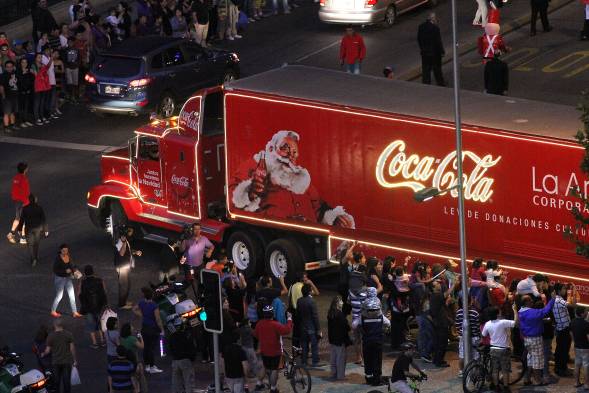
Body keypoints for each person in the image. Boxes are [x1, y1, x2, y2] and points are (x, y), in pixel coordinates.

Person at [354, 287, 390, 386]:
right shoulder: (380, 315)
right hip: (378, 340)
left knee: (368, 359)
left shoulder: (363, 316)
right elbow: (388, 323)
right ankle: (377, 379)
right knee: (377, 359)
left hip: (367, 341)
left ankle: (368, 378)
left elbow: (355, 324)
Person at [253, 305, 293, 393]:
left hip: (264, 350)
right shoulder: (275, 325)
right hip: (275, 351)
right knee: (274, 369)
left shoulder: (259, 324)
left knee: (265, 366)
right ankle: (273, 388)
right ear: (272, 314)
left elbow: (255, 335)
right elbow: (286, 330)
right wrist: (289, 319)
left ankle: (259, 383)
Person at [519, 293, 555, 385]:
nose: (532, 301)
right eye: (530, 300)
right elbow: (545, 311)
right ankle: (537, 380)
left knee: (530, 359)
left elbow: (531, 321)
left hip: (526, 339)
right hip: (535, 339)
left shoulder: (521, 312)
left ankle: (527, 379)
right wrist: (552, 299)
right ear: (526, 302)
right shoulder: (531, 312)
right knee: (537, 360)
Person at [481, 306, 517, 389]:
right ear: (497, 314)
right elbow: (515, 323)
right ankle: (506, 387)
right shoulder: (503, 322)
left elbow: (483, 335)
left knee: (495, 369)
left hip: (493, 349)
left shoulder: (487, 324)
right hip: (503, 349)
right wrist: (515, 311)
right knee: (505, 370)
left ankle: (496, 386)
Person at [40, 318, 78, 393]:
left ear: (54, 325)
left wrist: (43, 354)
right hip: (66, 361)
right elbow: (72, 349)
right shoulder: (68, 334)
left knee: (56, 382)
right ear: (63, 325)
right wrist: (75, 360)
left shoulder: (51, 336)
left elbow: (48, 350)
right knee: (66, 382)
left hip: (55, 362)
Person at [133, 287, 165, 374]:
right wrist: (162, 330)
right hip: (153, 328)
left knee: (146, 347)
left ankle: (147, 365)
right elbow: (158, 319)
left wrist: (142, 315)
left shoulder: (141, 303)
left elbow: (134, 309)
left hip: (144, 327)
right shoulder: (154, 306)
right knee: (151, 348)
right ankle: (152, 366)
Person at [78, 264, 107, 349]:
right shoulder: (100, 280)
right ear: (93, 272)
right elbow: (105, 291)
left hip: (88, 308)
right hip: (99, 306)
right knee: (100, 322)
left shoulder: (82, 282)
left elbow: (79, 293)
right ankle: (102, 340)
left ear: (85, 273)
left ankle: (95, 343)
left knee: (90, 324)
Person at [114, 226, 142, 309]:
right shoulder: (120, 242)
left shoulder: (124, 240)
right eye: (130, 232)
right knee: (124, 286)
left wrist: (135, 252)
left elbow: (127, 251)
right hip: (122, 268)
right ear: (125, 233)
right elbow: (122, 253)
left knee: (127, 285)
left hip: (124, 267)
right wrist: (124, 242)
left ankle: (124, 301)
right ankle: (122, 305)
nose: (132, 233)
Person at [51, 244, 81, 318]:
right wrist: (65, 271)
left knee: (72, 295)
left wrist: (75, 270)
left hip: (68, 278)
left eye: (66, 250)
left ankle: (75, 312)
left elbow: (72, 265)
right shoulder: (58, 259)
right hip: (60, 279)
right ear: (60, 250)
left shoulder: (68, 256)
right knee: (59, 296)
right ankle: (53, 311)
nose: (65, 252)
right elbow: (55, 270)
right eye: (63, 250)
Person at [455, 293, 481, 375]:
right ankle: (475, 371)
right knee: (476, 355)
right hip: (475, 337)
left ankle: (461, 371)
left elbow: (457, 326)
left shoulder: (458, 312)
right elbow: (478, 326)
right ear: (471, 301)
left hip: (463, 337)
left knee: (462, 354)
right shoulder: (475, 312)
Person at [297, 283, 323, 367]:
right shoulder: (311, 301)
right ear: (309, 292)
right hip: (311, 326)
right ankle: (315, 361)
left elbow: (298, 314)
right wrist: (318, 329)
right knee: (314, 344)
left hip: (302, 326)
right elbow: (315, 316)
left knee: (304, 345)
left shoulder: (299, 301)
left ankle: (304, 361)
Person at [168, 318, 196, 393]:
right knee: (188, 383)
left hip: (175, 361)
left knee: (176, 384)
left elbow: (170, 349)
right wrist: (192, 358)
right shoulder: (186, 335)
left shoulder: (172, 336)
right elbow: (191, 348)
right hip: (185, 361)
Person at [417, 13, 445, 86]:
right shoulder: (435, 28)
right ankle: (440, 84)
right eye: (435, 19)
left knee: (426, 71)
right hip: (435, 54)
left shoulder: (421, 27)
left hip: (425, 53)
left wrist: (422, 49)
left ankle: (426, 85)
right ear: (433, 19)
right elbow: (438, 41)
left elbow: (419, 39)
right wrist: (442, 51)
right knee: (437, 70)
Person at [327, 295, 350, 380]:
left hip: (332, 339)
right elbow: (345, 326)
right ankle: (340, 376)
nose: (342, 302)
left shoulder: (330, 313)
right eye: (341, 301)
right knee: (340, 358)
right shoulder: (340, 314)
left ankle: (334, 373)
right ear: (337, 303)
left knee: (333, 357)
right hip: (340, 340)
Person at [553, 283, 573, 377]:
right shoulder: (559, 300)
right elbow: (571, 304)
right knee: (563, 349)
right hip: (563, 328)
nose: (565, 291)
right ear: (559, 290)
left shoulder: (557, 299)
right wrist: (570, 293)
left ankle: (560, 368)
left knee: (561, 349)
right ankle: (561, 369)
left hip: (561, 328)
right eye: (564, 289)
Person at [7, 162, 29, 244]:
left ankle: (11, 233)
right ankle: (23, 238)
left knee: (18, 218)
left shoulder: (16, 177)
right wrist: (27, 202)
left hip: (17, 201)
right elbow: (25, 192)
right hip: (23, 202)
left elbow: (15, 190)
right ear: (25, 169)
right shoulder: (24, 179)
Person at [429, 279, 450, 368]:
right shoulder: (437, 295)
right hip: (441, 323)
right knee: (442, 342)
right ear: (433, 287)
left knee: (438, 342)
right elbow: (446, 294)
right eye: (437, 284)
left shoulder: (434, 296)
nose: (439, 284)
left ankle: (436, 360)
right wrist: (453, 285)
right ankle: (439, 361)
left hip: (437, 322)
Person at [571, 306, 589, 390]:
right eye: (586, 311)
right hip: (585, 347)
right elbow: (588, 336)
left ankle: (576, 382)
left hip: (577, 346)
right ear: (582, 314)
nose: (587, 313)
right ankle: (586, 384)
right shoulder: (586, 324)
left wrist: (575, 341)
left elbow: (571, 333)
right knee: (586, 365)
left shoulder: (572, 322)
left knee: (577, 364)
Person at [1, 60, 20, 132]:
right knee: (6, 113)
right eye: (7, 67)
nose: (9, 68)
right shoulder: (3, 75)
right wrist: (3, 96)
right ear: (5, 68)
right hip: (7, 97)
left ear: (13, 67)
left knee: (13, 112)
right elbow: (1, 87)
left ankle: (12, 125)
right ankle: (6, 127)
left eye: (11, 67)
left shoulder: (15, 74)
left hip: (15, 96)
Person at [17, 58, 34, 128]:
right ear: (20, 63)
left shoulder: (29, 71)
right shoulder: (18, 71)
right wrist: (23, 74)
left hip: (28, 92)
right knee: (21, 108)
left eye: (26, 62)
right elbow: (18, 82)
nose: (24, 64)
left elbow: (32, 81)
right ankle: (21, 122)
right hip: (21, 93)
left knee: (26, 107)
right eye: (23, 62)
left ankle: (26, 120)